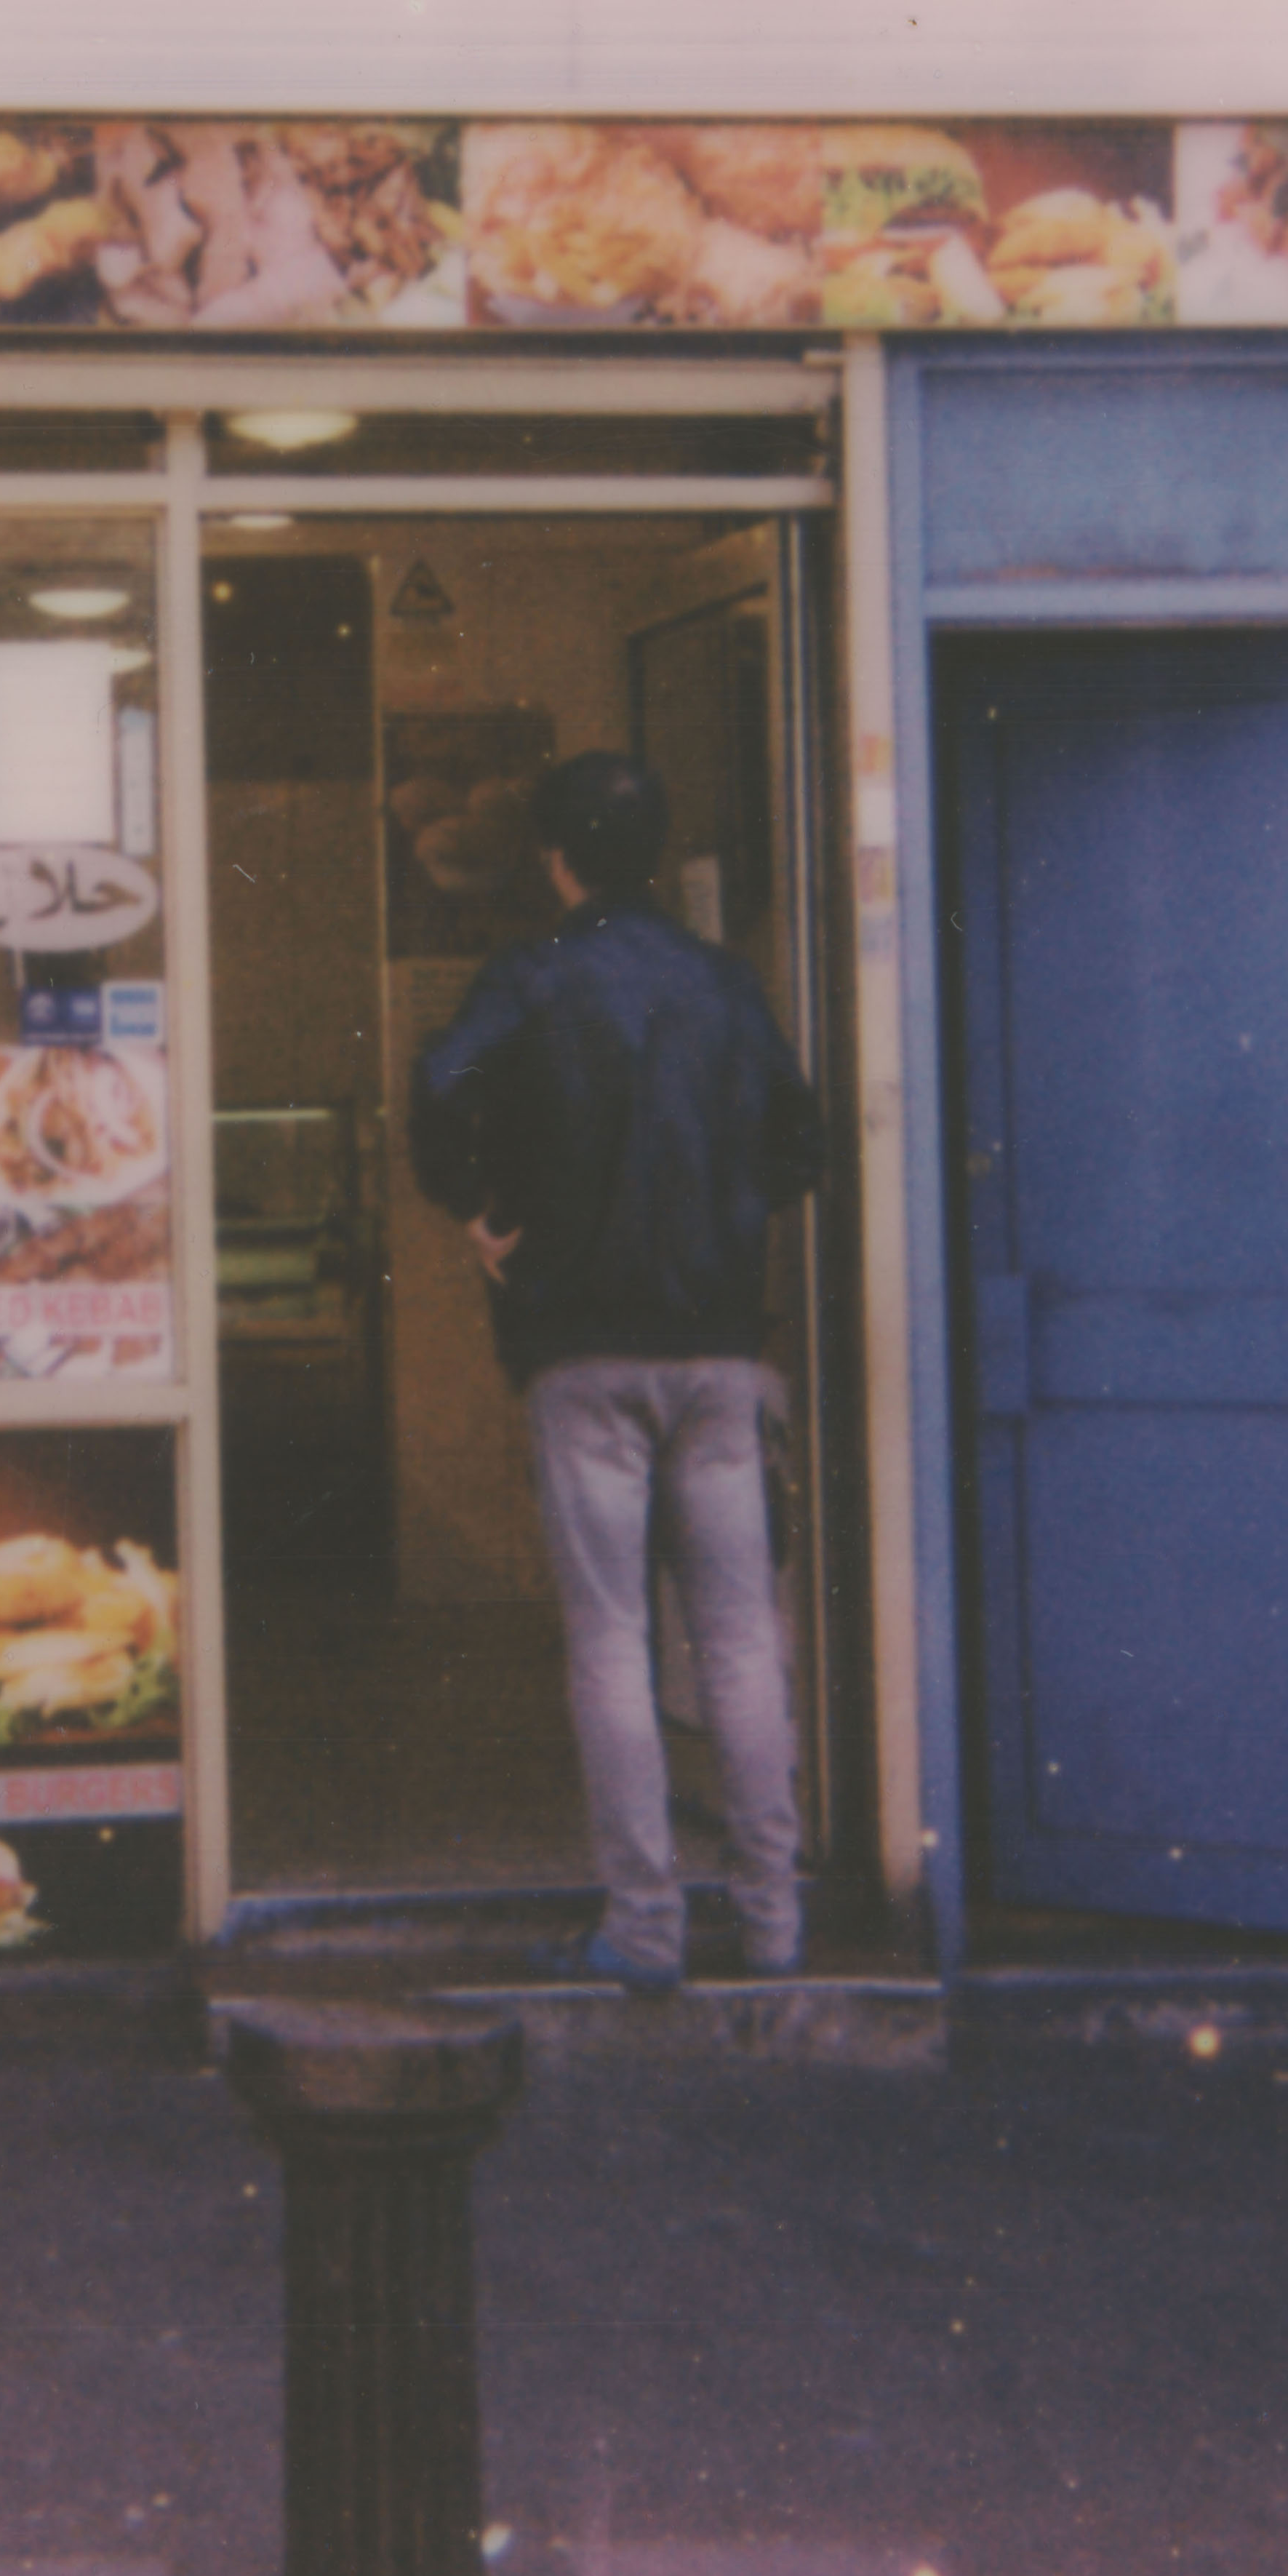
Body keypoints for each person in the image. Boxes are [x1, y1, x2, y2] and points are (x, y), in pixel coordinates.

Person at [409, 748, 823, 1990]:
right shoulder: (722, 982)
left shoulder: (530, 977)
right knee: (742, 1642)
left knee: (610, 1642)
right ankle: (773, 1922)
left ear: (554, 859)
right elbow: (798, 1141)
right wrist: (721, 1207)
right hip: (715, 1351)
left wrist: (476, 1209)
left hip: (581, 1353)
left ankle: (642, 1930)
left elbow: (440, 1084)